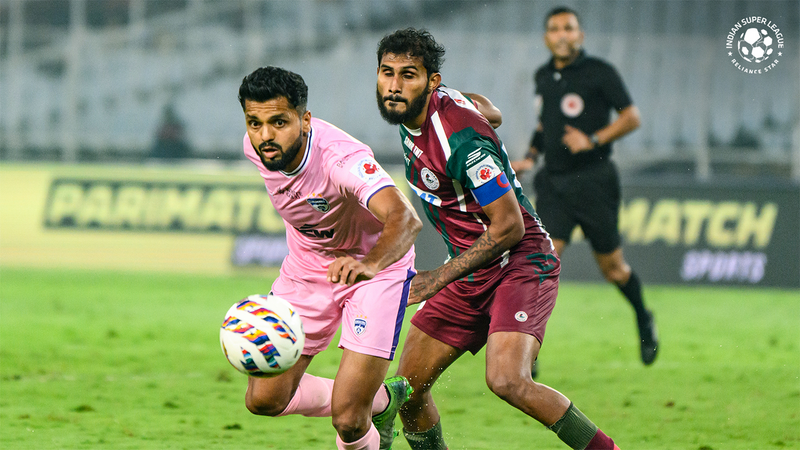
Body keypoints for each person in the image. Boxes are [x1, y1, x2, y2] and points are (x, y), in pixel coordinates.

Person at [375, 28, 621, 450]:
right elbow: (493, 110)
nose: (394, 86)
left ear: (432, 82)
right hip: (471, 269)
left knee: (508, 380)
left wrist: (436, 279)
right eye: (387, 72)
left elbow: (510, 227)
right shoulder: (422, 107)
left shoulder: (462, 140)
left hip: (520, 261)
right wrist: (468, 105)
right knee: (408, 391)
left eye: (408, 75)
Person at [238, 66, 423, 450]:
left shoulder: (341, 159)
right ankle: (382, 400)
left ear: (305, 120)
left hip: (375, 269)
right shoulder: (256, 148)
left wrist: (369, 264)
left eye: (278, 122)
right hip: (308, 269)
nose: (265, 136)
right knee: (263, 400)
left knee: (349, 420)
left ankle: (360, 407)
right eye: (255, 123)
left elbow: (405, 219)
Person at [511, 7, 658, 367]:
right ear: (546, 37)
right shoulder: (543, 75)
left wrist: (593, 139)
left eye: (569, 28)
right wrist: (529, 157)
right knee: (542, 266)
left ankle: (643, 317)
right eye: (555, 29)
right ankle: (528, 350)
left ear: (580, 35)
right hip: (554, 184)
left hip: (594, 182)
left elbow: (632, 117)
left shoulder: (600, 72)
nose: (562, 34)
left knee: (614, 270)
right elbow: (545, 124)